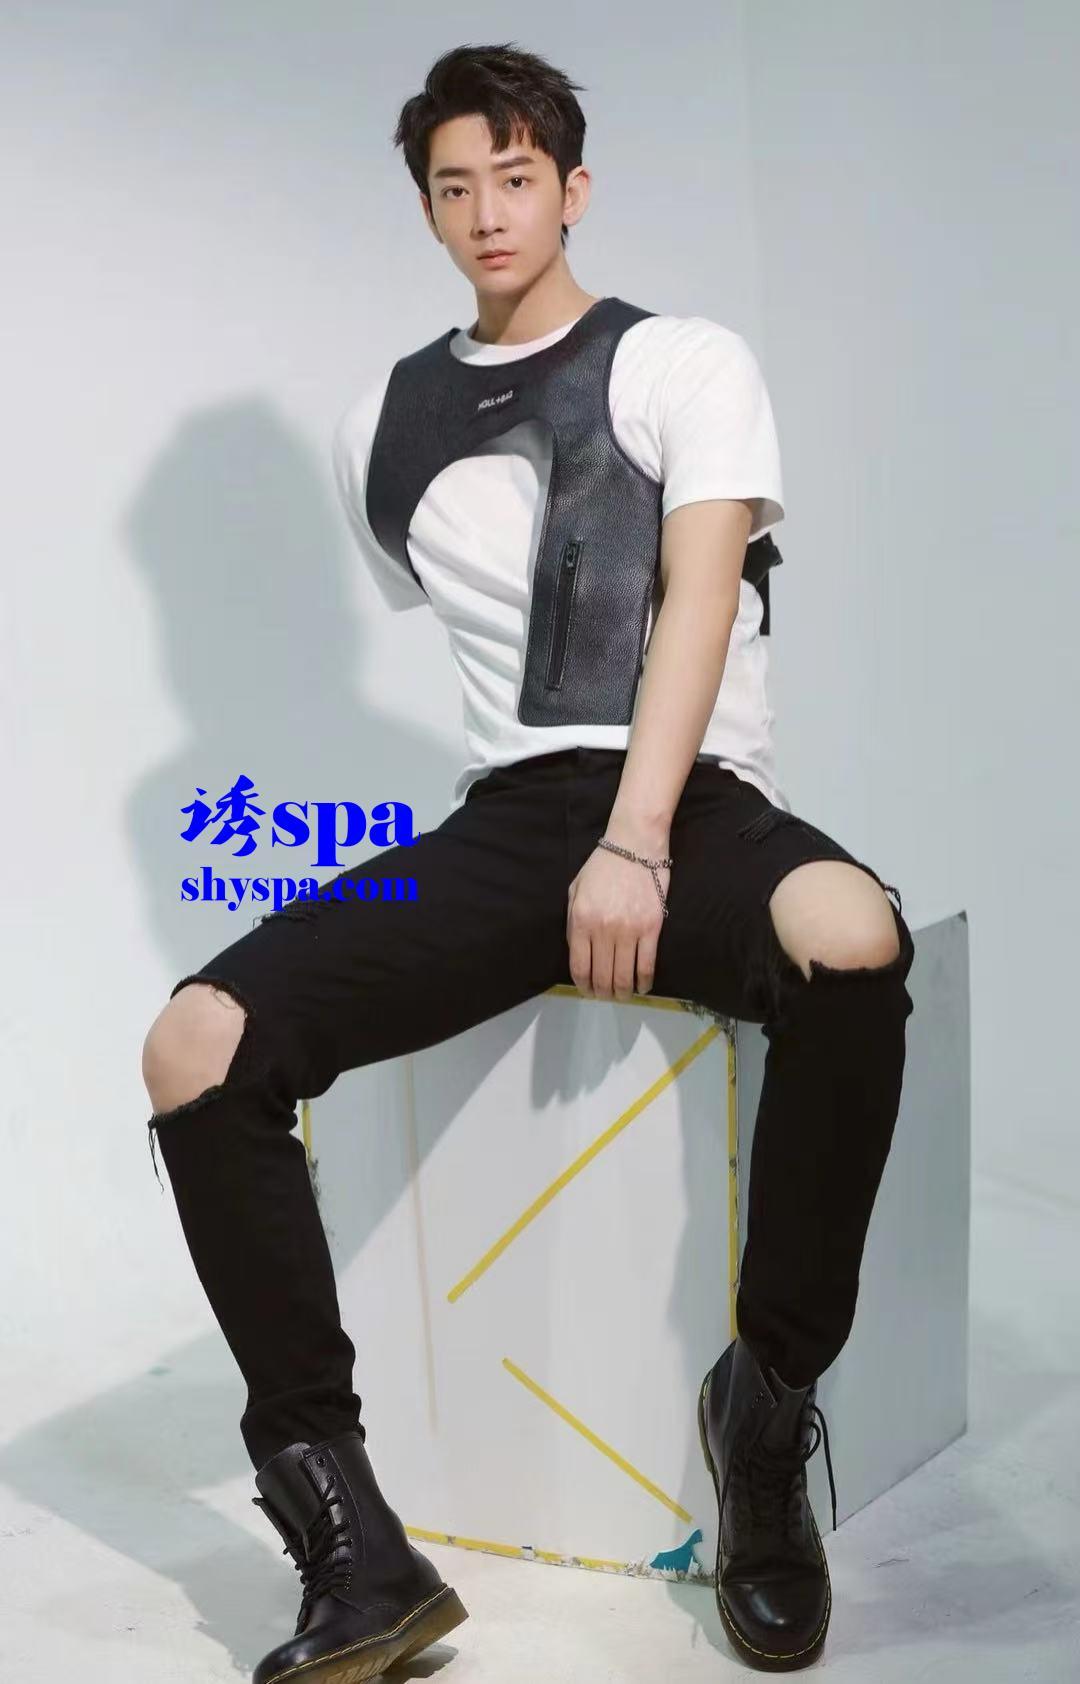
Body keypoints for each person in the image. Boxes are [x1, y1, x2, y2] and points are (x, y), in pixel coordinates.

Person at [141, 40, 915, 1682]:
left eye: (515, 176)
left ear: (572, 188)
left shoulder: (685, 360)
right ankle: (349, 1541)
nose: (488, 211)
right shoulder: (384, 423)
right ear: (425, 208)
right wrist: (569, 841)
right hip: (505, 823)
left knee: (854, 937)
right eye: (454, 186)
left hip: (693, 802)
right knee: (198, 1043)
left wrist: (638, 834)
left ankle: (763, 1410)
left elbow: (694, 599)